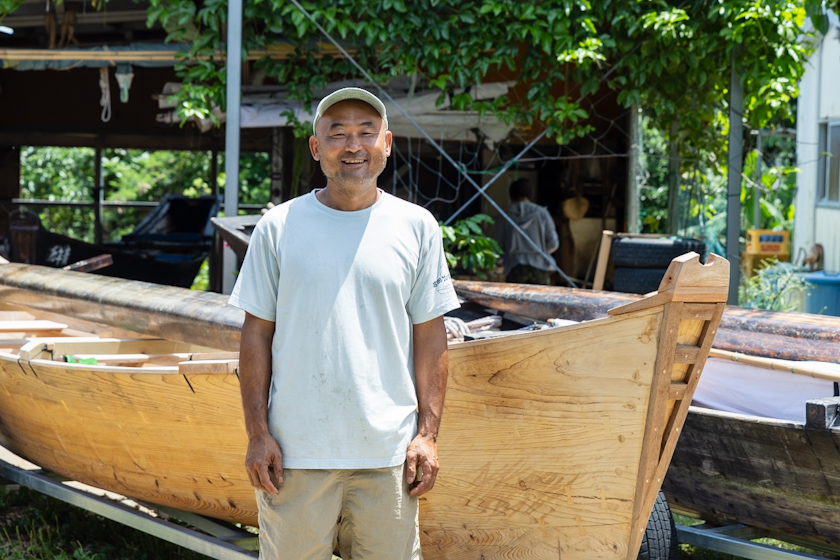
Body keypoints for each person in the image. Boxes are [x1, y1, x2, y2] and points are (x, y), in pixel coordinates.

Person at [228, 87, 460, 560]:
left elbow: (430, 335)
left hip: (388, 458)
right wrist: (257, 434)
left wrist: (427, 436)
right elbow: (256, 334)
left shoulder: (416, 227)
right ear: (317, 149)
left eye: (365, 133)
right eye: (337, 134)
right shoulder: (279, 227)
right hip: (295, 455)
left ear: (387, 144)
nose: (352, 145)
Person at [496, 178, 560, 285]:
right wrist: (541, 251)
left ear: (511, 195)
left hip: (514, 267)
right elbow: (554, 243)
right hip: (540, 267)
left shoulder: (504, 217)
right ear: (531, 193)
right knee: (540, 301)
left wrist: (501, 262)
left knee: (515, 301)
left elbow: (497, 247)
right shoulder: (542, 213)